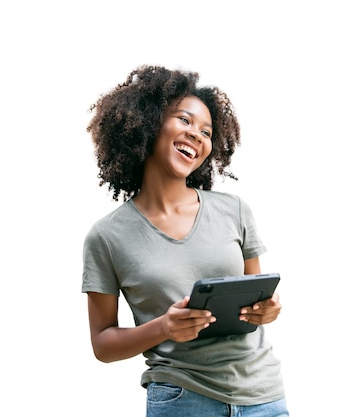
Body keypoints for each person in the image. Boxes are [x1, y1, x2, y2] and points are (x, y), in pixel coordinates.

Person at [81, 64, 288, 417]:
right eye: (184, 120)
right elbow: (103, 344)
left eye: (206, 131)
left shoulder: (234, 210)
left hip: (262, 396)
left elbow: (257, 293)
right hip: (182, 399)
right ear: (147, 123)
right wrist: (163, 327)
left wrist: (268, 309)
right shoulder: (107, 237)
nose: (197, 135)